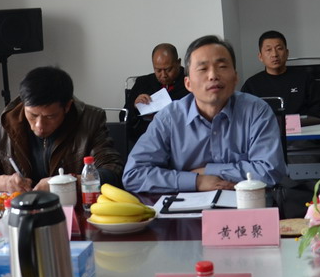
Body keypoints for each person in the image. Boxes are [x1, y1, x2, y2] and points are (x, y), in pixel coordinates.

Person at [123, 35, 287, 193]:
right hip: (183, 207)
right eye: (202, 69)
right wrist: (197, 181)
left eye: (222, 67)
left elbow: (271, 170)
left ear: (235, 77)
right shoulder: (169, 118)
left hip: (247, 203)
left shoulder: (257, 111)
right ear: (188, 83)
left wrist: (209, 170)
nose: (213, 76)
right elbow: (133, 174)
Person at [0, 66, 123, 193]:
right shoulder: (5, 126)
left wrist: (64, 183)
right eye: (33, 115)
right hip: (21, 213)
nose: (39, 125)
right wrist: (5, 183)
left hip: (73, 212)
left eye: (50, 117)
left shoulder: (89, 121)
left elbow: (112, 173)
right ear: (23, 104)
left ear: (67, 106)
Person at [240, 30, 320, 117]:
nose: (274, 54)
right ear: (260, 57)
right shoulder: (251, 85)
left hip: (302, 125)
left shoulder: (304, 78)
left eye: (279, 48)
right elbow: (244, 114)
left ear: (287, 53)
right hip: (266, 125)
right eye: (268, 50)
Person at [125, 43, 189, 142]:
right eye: (158, 70)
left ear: (178, 63)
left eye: (168, 69)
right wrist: (134, 106)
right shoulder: (143, 82)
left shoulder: (191, 83)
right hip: (146, 138)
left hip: (180, 138)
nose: (163, 75)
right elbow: (123, 117)